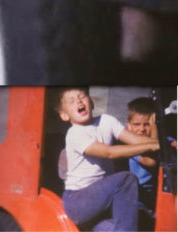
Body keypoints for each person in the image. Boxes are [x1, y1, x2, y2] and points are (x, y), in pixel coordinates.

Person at [58, 87, 157, 232]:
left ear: (91, 103)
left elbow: (137, 140)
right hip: (78, 201)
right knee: (126, 179)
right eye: (71, 101)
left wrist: (160, 140)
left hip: (103, 200)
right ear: (65, 116)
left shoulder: (107, 121)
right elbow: (109, 153)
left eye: (82, 96)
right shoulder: (74, 134)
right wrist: (153, 145)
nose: (78, 101)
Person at [126, 97, 160, 228]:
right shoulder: (129, 145)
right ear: (128, 125)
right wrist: (155, 129)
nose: (142, 129)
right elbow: (150, 161)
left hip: (157, 196)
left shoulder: (164, 140)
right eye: (136, 124)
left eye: (147, 124)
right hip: (137, 198)